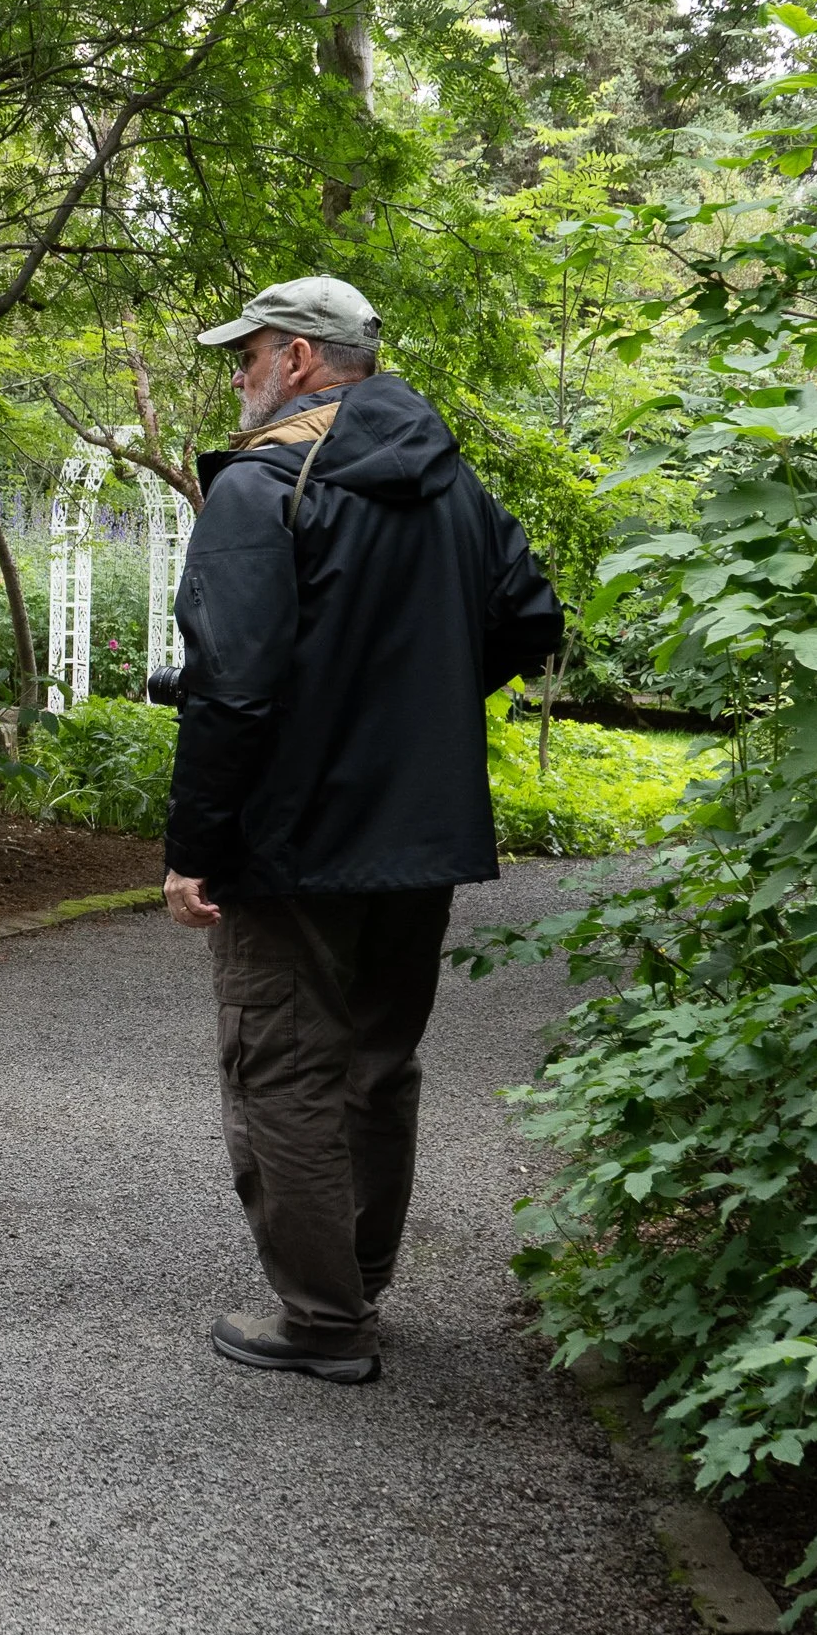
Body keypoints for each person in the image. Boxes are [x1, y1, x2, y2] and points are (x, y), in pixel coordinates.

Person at [163, 275, 563, 1384]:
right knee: (377, 1063)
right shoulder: (451, 484)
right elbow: (530, 616)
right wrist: (411, 713)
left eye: (246, 355)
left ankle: (322, 1321)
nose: (237, 378)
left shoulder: (264, 483)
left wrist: (194, 848)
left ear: (297, 358)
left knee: (283, 1067)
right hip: (417, 832)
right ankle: (359, 1279)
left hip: (290, 840)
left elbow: (231, 687)